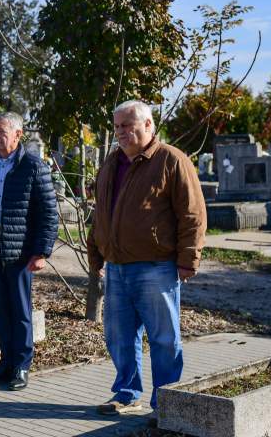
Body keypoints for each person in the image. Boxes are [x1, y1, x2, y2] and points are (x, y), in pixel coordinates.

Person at [87, 100, 206, 417]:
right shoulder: (112, 163)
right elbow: (100, 212)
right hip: (117, 267)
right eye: (117, 127)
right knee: (119, 336)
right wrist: (96, 254)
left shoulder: (171, 160)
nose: (120, 133)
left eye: (127, 125)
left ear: (149, 125)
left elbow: (192, 214)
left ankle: (167, 401)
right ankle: (127, 394)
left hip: (157, 267)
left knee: (164, 338)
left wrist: (187, 260)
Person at [0, 112, 58, 391]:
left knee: (20, 309)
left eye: (1, 132)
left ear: (18, 135)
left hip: (21, 251)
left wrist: (41, 252)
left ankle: (22, 365)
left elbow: (48, 214)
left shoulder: (33, 166)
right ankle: (6, 361)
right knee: (0, 310)